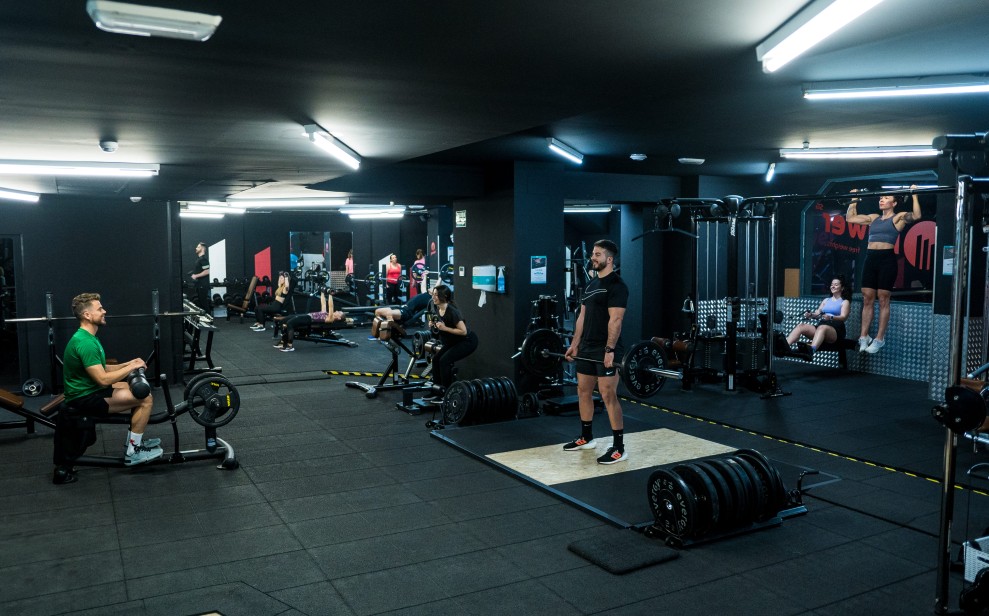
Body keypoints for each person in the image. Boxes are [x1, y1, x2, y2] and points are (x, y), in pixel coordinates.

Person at [62, 293, 163, 466]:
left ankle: (133, 442)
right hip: (83, 398)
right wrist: (130, 368)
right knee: (145, 399)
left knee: (129, 388)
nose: (104, 311)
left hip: (89, 390)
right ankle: (134, 452)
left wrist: (129, 363)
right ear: (87, 315)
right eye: (99, 308)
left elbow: (103, 369)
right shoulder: (85, 342)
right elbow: (102, 379)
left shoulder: (88, 337)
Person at [564, 239, 629, 465]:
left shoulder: (617, 286)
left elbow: (616, 320)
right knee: (583, 390)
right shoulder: (591, 285)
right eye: (593, 253)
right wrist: (574, 344)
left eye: (598, 254)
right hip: (587, 347)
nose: (593, 257)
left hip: (606, 348)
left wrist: (610, 350)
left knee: (608, 394)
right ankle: (587, 436)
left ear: (609, 259)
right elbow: (582, 317)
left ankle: (619, 448)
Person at [845, 186, 921, 354]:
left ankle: (879, 339)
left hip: (887, 259)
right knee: (867, 298)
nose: (881, 199)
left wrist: (914, 195)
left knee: (883, 299)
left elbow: (916, 216)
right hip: (870, 258)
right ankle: (863, 337)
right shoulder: (873, 218)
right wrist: (854, 199)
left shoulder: (898, 218)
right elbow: (850, 218)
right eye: (881, 197)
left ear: (893, 203)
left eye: (886, 198)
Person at [425, 284, 478, 399]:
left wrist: (445, 328)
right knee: (436, 360)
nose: (433, 297)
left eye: (436, 295)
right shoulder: (438, 309)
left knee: (444, 361)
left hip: (467, 341)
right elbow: (440, 330)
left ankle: (447, 393)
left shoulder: (452, 311)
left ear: (443, 296)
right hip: (453, 341)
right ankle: (437, 391)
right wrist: (434, 326)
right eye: (433, 294)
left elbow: (463, 331)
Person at [784, 276, 851, 361]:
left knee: (822, 328)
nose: (833, 286)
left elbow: (843, 317)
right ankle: (785, 346)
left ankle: (811, 350)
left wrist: (830, 317)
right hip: (821, 326)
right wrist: (811, 315)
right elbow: (817, 313)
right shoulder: (826, 300)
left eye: (836, 285)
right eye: (832, 284)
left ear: (842, 288)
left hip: (836, 330)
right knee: (801, 326)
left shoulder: (845, 302)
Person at [275, 289, 345, 352]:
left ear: (339, 318)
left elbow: (331, 306)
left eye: (339, 312)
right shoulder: (326, 313)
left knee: (290, 323)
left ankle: (290, 346)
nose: (337, 311)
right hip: (306, 315)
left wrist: (330, 295)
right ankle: (283, 341)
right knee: (283, 321)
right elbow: (323, 304)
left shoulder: (330, 318)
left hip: (308, 319)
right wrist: (323, 292)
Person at [189, 242, 211, 313]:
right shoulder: (199, 259)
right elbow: (201, 270)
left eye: (198, 247)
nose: (196, 248)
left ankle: (210, 320)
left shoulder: (203, 259)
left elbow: (207, 271)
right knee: (201, 303)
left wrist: (196, 276)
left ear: (202, 248)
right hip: (199, 285)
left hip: (203, 285)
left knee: (204, 303)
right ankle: (206, 320)